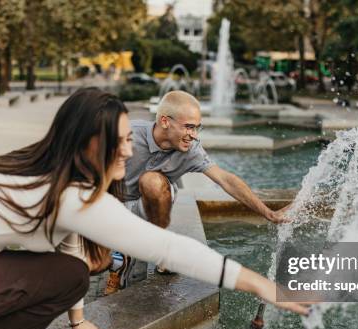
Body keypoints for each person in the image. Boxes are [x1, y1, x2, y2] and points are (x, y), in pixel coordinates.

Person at [0, 87, 310, 329]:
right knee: (69, 274)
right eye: (119, 141)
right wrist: (262, 284)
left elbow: (68, 247)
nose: (128, 149)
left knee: (68, 269)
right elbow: (168, 247)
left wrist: (78, 323)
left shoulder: (39, 166)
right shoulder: (74, 193)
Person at [105, 90, 290, 294]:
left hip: (148, 208)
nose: (194, 135)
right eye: (189, 127)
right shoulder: (128, 134)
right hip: (113, 206)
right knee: (126, 277)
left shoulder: (191, 150)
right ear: (165, 121)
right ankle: (119, 264)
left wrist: (269, 213)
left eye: (197, 128)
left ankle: (158, 247)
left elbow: (226, 179)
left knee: (153, 182)